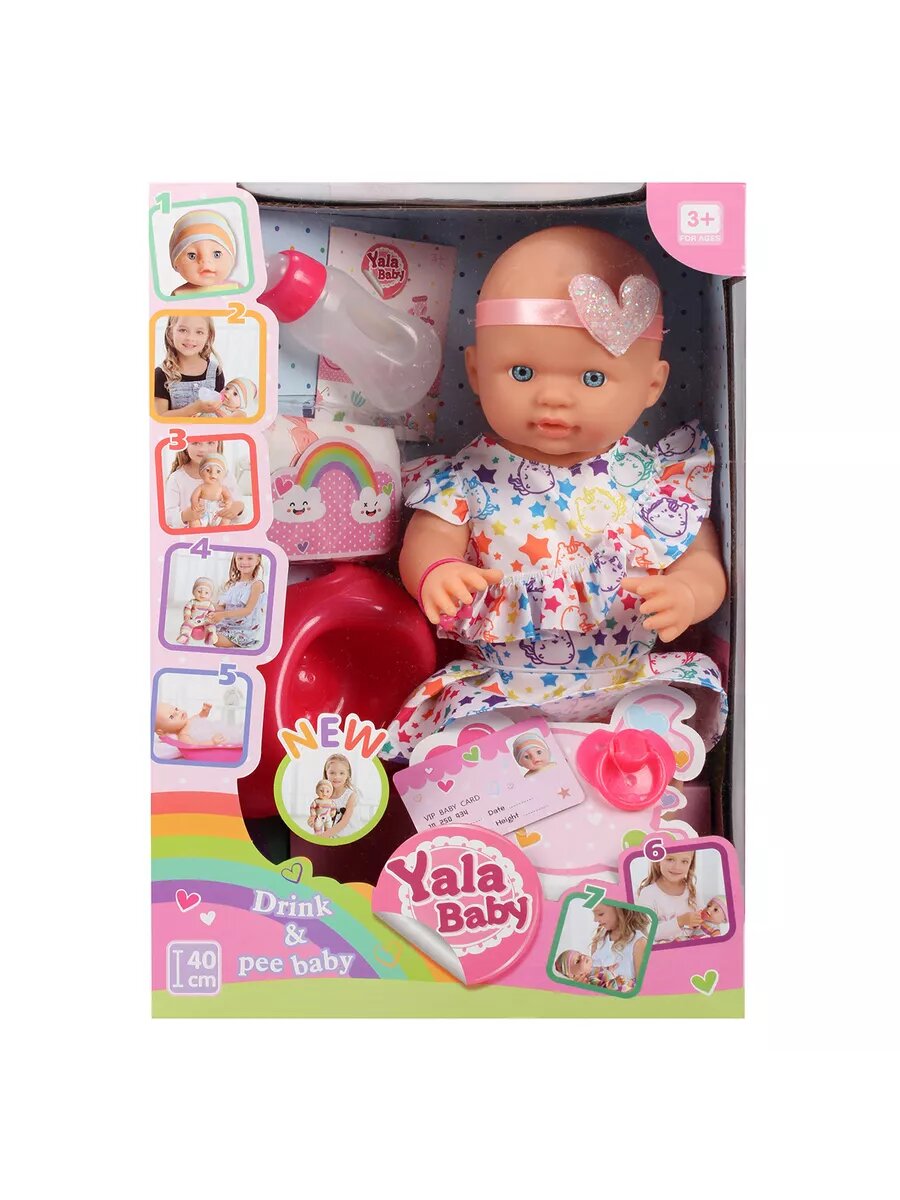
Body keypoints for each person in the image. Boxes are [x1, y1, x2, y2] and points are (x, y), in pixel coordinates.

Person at [384, 227, 727, 762]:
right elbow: (426, 543)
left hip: (627, 681)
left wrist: (688, 592)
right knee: (470, 750)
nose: (553, 397)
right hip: (503, 689)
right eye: (522, 373)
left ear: (652, 386)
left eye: (593, 378)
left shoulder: (652, 479)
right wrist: (436, 572)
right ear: (476, 371)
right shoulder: (466, 477)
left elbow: (702, 559)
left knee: (658, 737)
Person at [154, 315, 225, 416]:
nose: (190, 338)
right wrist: (195, 408)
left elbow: (221, 412)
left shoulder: (216, 372)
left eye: (199, 332)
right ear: (170, 333)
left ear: (208, 336)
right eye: (183, 330)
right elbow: (159, 418)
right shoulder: (161, 374)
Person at [168, 209, 241, 295]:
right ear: (176, 263)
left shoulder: (236, 289)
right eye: (192, 256)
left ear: (232, 259)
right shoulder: (179, 295)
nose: (205, 262)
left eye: (217, 254)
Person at [636, 849, 703, 942]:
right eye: (670, 859)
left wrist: (699, 924)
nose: (677, 867)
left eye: (684, 861)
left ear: (690, 864)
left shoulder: (692, 892)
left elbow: (703, 925)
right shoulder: (648, 894)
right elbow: (647, 933)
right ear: (658, 860)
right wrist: (680, 921)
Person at [205, 553, 266, 649]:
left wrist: (222, 615)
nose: (244, 562)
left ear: (257, 560)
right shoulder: (233, 584)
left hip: (244, 629)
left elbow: (247, 610)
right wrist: (207, 605)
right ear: (235, 560)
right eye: (240, 558)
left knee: (214, 639)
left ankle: (235, 641)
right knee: (203, 626)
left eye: (249, 558)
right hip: (228, 624)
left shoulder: (257, 584)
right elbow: (225, 607)